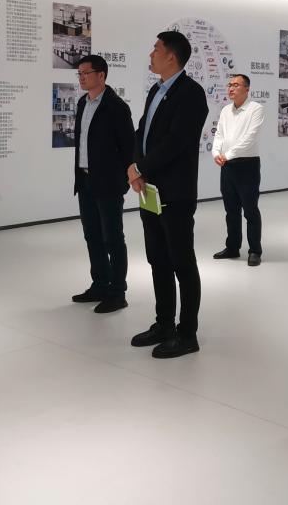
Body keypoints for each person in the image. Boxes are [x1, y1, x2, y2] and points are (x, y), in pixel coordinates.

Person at [127, 31, 209, 359]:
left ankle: (187, 334)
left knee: (181, 263)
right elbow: (142, 131)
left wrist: (141, 166)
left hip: (175, 192)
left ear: (171, 56)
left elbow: (176, 142)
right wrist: (137, 167)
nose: (151, 54)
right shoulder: (156, 90)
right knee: (157, 260)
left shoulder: (191, 94)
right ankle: (164, 324)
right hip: (150, 189)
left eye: (156, 49)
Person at [70, 55, 135, 313]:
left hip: (108, 183)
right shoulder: (82, 103)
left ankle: (117, 292)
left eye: (86, 73)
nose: (81, 77)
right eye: (79, 73)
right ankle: (99, 284)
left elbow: (128, 148)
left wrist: (125, 180)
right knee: (92, 236)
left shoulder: (117, 107)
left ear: (101, 75)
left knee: (113, 238)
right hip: (85, 180)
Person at [211, 74, 265, 266]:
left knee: (250, 210)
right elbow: (219, 134)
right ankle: (233, 247)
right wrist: (216, 153)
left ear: (247, 89)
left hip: (247, 165)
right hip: (227, 166)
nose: (231, 88)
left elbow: (249, 138)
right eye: (230, 85)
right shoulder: (226, 110)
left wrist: (227, 154)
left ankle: (255, 250)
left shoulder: (255, 109)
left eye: (236, 85)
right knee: (231, 210)